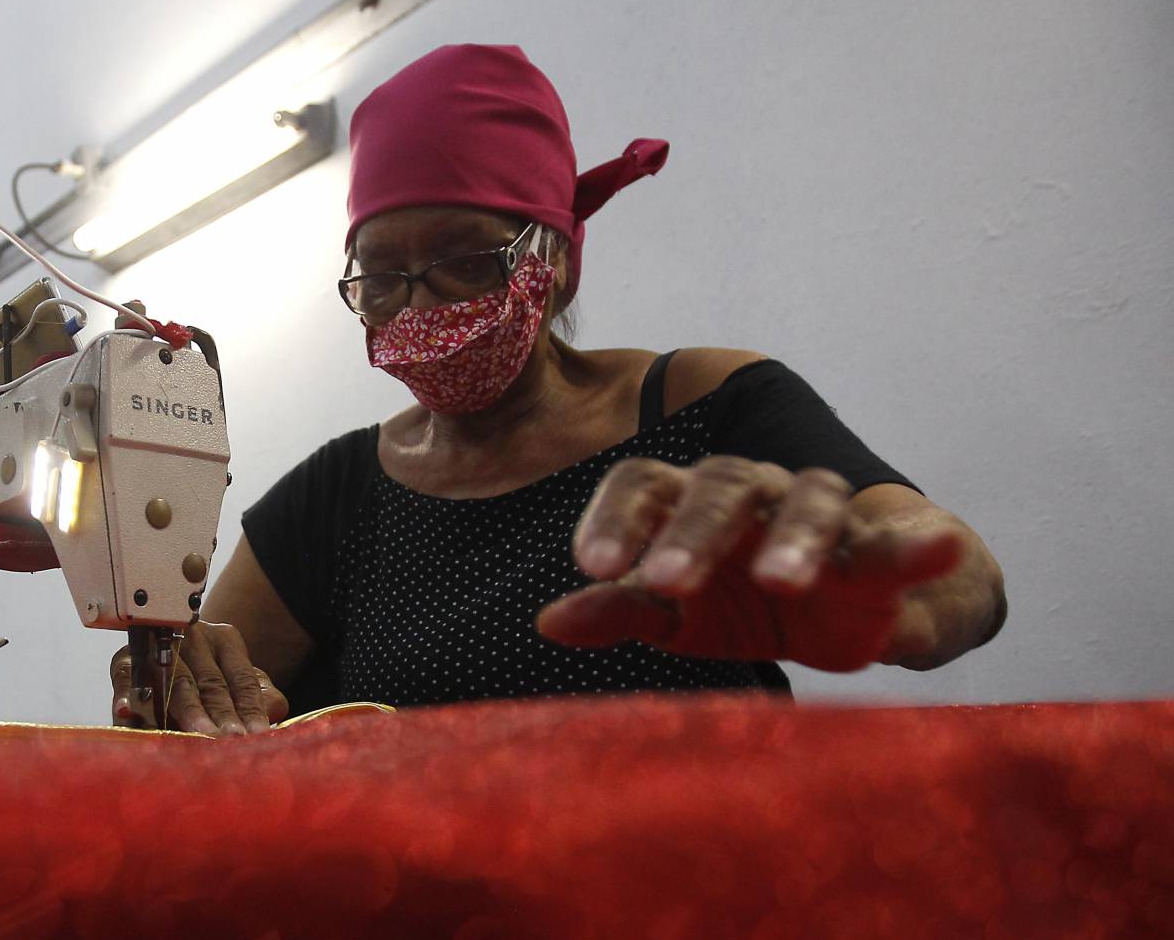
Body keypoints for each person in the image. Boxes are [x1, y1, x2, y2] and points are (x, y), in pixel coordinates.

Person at [111, 44, 1006, 734]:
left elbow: (961, 578)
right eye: (380, 276)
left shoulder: (703, 407)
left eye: (462, 258)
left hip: (717, 927)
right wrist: (176, 696)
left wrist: (890, 599)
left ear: (557, 264)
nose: (418, 302)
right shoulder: (335, 498)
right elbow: (200, 713)